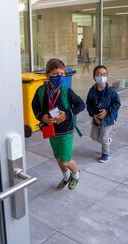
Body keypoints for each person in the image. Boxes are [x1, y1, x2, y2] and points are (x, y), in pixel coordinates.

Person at [32, 58, 85, 190]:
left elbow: (81, 105)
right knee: (58, 157)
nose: (60, 77)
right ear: (47, 75)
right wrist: (41, 117)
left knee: (66, 159)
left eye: (62, 74)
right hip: (51, 130)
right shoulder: (41, 91)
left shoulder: (67, 91)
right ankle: (66, 176)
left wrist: (66, 115)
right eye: (56, 74)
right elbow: (35, 107)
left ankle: (76, 174)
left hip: (66, 131)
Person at [86, 65, 121, 162]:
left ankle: (105, 153)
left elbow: (117, 104)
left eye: (104, 74)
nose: (102, 76)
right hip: (96, 117)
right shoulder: (92, 90)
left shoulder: (111, 90)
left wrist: (107, 111)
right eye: (99, 74)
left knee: (104, 137)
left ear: (107, 76)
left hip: (108, 118)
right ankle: (107, 141)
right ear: (94, 77)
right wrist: (93, 115)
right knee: (94, 136)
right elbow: (88, 103)